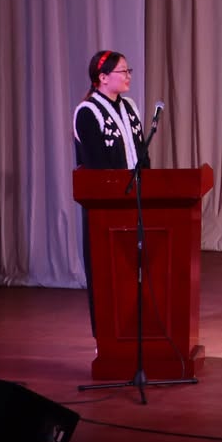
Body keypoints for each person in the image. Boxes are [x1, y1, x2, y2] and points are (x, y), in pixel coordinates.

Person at [73, 50, 149, 334]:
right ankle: (106, 336)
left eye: (129, 71)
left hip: (135, 203)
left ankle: (136, 332)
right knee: (106, 273)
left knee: (135, 271)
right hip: (105, 210)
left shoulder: (130, 107)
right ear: (103, 78)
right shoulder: (87, 112)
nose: (128, 76)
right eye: (122, 71)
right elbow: (97, 168)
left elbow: (142, 155)